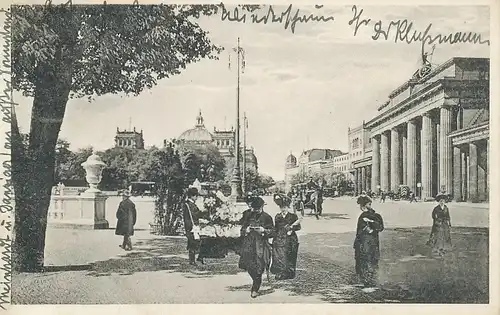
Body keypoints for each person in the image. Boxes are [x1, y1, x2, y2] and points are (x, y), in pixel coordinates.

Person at [238, 197, 274, 298]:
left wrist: (264, 231)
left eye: (258, 208)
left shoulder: (267, 217)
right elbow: (242, 228)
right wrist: (246, 230)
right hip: (249, 245)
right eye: (254, 208)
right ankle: (256, 281)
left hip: (261, 245)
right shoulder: (248, 215)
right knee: (249, 266)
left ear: (262, 206)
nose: (256, 210)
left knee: (259, 267)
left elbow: (273, 232)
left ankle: (255, 288)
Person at [354, 195, 384, 288]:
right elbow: (381, 228)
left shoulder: (363, 216)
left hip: (364, 243)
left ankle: (365, 280)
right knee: (373, 261)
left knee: (363, 261)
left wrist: (369, 223)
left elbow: (359, 232)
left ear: (363, 206)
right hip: (374, 243)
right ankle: (373, 279)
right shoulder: (377, 216)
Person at [271, 193, 301, 280]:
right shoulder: (277, 216)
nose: (283, 209)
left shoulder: (293, 216)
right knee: (279, 256)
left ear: (288, 207)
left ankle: (290, 273)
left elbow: (298, 227)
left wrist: (291, 229)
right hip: (279, 238)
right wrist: (273, 238)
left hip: (290, 239)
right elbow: (275, 228)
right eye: (281, 208)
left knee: (290, 255)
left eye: (284, 207)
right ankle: (280, 273)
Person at [183, 187, 207, 266]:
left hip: (190, 226)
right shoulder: (190, 205)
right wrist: (204, 212)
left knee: (193, 243)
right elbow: (195, 215)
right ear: (193, 196)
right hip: (192, 227)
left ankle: (194, 259)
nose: (197, 198)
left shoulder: (187, 204)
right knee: (193, 243)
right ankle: (193, 260)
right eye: (196, 196)